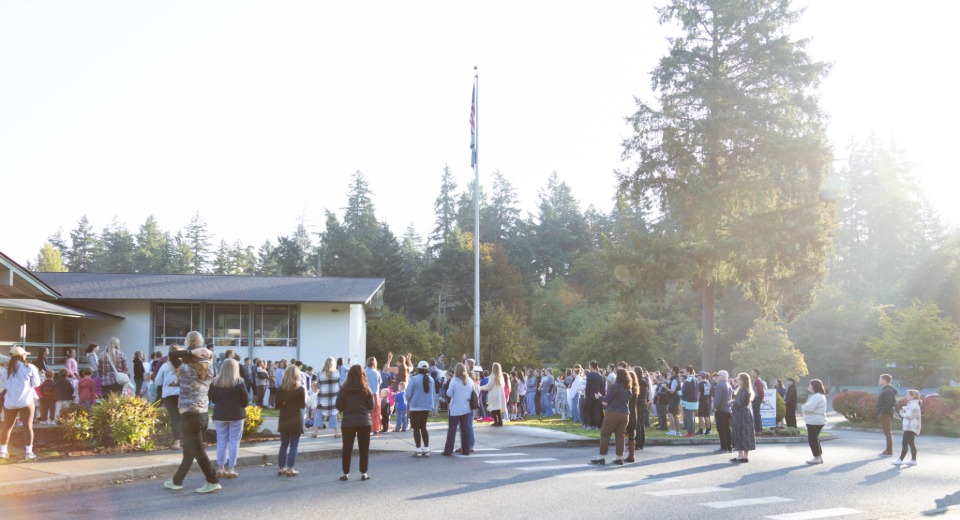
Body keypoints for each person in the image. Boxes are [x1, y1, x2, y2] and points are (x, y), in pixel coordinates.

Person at [163, 331, 220, 494]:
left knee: (197, 450)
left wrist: (190, 351)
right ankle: (177, 481)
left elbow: (172, 354)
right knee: (189, 451)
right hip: (202, 414)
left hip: (190, 415)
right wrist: (202, 353)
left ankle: (212, 480)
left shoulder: (185, 369)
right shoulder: (210, 370)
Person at [208, 358, 248, 479]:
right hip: (236, 414)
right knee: (234, 442)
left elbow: (213, 399)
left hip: (220, 414)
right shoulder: (239, 382)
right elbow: (245, 401)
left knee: (221, 441)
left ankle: (220, 467)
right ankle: (231, 468)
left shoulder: (215, 382)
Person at [1, 346, 42, 460]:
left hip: (10, 401)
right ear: (21, 356)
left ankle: (2, 451)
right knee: (28, 426)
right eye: (25, 354)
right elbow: (36, 383)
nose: (26, 356)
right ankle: (29, 452)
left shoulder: (5, 370)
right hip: (26, 401)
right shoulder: (30, 367)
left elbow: (5, 384)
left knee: (7, 426)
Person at [337, 364, 374, 481]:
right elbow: (371, 406)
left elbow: (338, 405)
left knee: (347, 448)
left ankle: (345, 473)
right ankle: (364, 472)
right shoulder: (366, 389)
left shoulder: (344, 389)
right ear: (363, 375)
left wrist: (346, 408)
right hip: (364, 420)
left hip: (348, 421)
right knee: (364, 448)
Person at [590, 368, 631, 465]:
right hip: (625, 414)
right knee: (620, 436)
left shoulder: (615, 386)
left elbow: (607, 398)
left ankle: (601, 456)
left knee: (605, 433)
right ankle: (619, 457)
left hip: (613, 413)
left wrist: (599, 397)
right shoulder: (628, 388)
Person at [276, 364, 306, 477]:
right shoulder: (300, 389)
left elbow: (277, 405)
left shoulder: (280, 389)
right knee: (294, 445)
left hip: (284, 418)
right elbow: (302, 405)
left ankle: (281, 467)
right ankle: (290, 468)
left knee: (283, 444)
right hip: (295, 418)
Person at [442, 363, 474, 456]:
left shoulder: (454, 381)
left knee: (452, 429)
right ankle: (466, 449)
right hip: (466, 408)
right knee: (465, 429)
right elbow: (473, 392)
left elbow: (449, 393)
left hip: (455, 408)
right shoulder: (469, 381)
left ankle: (448, 450)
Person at [155, 345, 182, 450]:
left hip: (168, 394)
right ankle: (188, 440)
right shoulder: (183, 366)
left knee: (174, 418)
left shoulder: (165, 366)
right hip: (181, 394)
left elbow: (158, 381)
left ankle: (177, 442)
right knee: (184, 417)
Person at [406, 361, 436, 457]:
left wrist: (409, 400)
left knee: (416, 428)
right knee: (423, 427)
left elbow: (408, 394)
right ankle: (426, 450)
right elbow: (433, 394)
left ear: (418, 369)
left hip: (415, 407)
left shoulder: (414, 379)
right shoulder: (431, 380)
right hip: (426, 407)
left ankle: (418, 450)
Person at [731, 372, 756, 463]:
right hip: (746, 414)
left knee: (740, 433)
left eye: (738, 378)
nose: (737, 379)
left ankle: (740, 456)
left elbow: (739, 403)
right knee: (746, 434)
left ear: (743, 380)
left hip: (740, 415)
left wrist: (732, 402)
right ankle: (744, 456)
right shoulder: (746, 389)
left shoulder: (743, 390)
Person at [892, 389, 921, 467]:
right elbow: (908, 415)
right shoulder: (912, 404)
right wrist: (901, 414)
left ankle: (900, 459)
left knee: (904, 443)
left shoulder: (914, 405)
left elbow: (909, 416)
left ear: (913, 396)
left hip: (911, 427)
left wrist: (901, 413)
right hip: (911, 427)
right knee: (911, 443)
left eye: (907, 394)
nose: (906, 396)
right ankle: (913, 460)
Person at [801, 379, 827, 464]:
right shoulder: (820, 396)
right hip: (817, 420)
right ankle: (819, 457)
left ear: (814, 386)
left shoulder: (816, 397)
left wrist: (803, 407)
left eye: (810, 385)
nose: (809, 386)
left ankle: (816, 458)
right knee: (815, 439)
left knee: (812, 439)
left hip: (814, 421)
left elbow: (809, 408)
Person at [314, 357, 341, 438]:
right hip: (333, 398)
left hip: (323, 398)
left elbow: (318, 386)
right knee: (334, 414)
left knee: (319, 414)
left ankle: (314, 432)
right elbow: (339, 385)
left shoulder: (319, 374)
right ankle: (336, 433)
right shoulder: (337, 373)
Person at [713, 370, 733, 453]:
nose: (717, 376)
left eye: (719, 375)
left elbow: (717, 399)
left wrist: (715, 407)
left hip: (720, 410)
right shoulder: (728, 385)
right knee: (727, 428)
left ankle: (724, 447)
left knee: (721, 429)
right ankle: (729, 446)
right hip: (727, 409)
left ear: (723, 376)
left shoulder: (720, 385)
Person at [877, 373, 897, 457]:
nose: (879, 380)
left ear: (885, 380)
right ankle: (888, 450)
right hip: (885, 413)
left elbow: (889, 403)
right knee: (887, 432)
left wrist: (882, 412)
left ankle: (889, 451)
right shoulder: (887, 390)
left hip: (885, 414)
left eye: (880, 379)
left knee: (887, 432)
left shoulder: (887, 390)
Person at [364, 357, 383, 434]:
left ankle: (367, 429)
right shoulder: (377, 373)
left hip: (366, 394)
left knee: (367, 412)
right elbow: (380, 383)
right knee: (376, 413)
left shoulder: (364, 372)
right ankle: (375, 428)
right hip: (375, 394)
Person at [584, 361, 605, 430]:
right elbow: (602, 387)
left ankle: (588, 424)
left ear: (591, 366)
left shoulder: (590, 375)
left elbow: (588, 386)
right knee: (596, 410)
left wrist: (586, 394)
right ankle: (596, 425)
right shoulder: (600, 375)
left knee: (587, 409)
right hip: (598, 395)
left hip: (590, 395)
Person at [696, 371, 712, 435]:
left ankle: (701, 430)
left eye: (698, 376)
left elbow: (698, 394)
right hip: (707, 401)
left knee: (701, 416)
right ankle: (708, 430)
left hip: (701, 402)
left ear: (701, 376)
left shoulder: (700, 384)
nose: (697, 377)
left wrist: (696, 401)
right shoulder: (707, 383)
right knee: (707, 416)